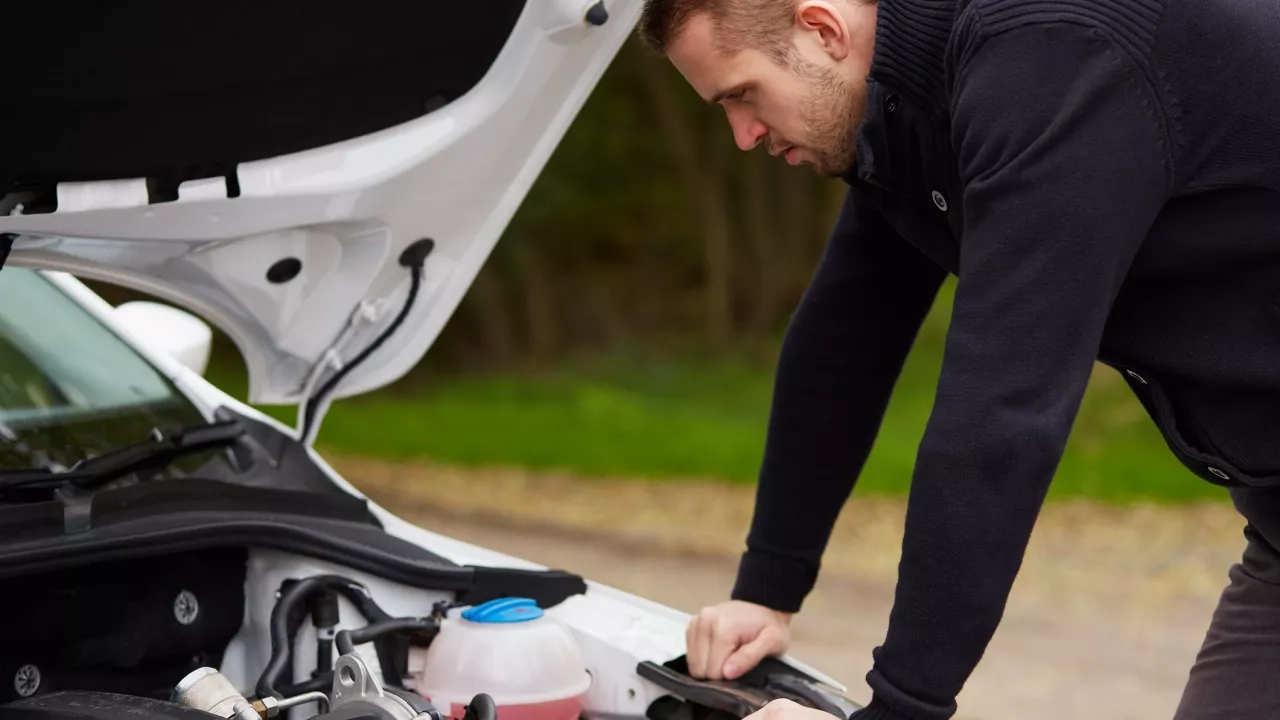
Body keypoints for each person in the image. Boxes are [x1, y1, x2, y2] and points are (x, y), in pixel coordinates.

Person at [634, 0, 1280, 718]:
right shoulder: (916, 92)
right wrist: (767, 588)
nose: (743, 134)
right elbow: (847, 333)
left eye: (742, 95)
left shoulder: (1052, 56)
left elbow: (1001, 414)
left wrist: (901, 710)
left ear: (822, 29)